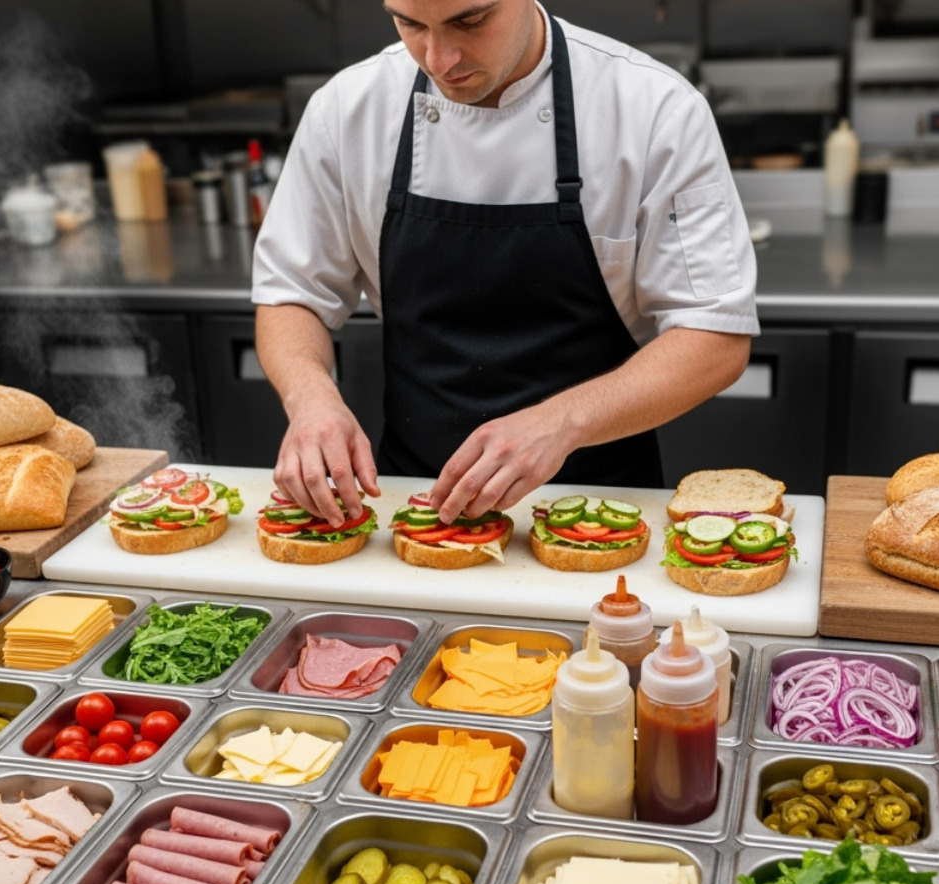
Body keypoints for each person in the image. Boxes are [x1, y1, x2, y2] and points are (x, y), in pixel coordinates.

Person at [252, 0, 758, 525]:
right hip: (410, 502)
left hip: (600, 514)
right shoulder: (348, 108)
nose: (439, 58)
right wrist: (309, 397)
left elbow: (715, 337)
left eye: (470, 21)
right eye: (409, 24)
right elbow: (291, 293)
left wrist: (560, 423)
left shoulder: (652, 109)